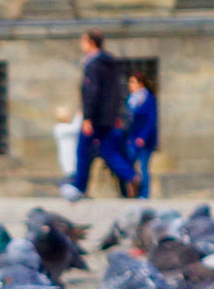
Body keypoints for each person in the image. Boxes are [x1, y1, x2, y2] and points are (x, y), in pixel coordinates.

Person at [60, 30, 131, 201]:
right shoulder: (110, 63)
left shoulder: (93, 64)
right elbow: (117, 92)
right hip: (108, 117)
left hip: (96, 117)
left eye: (83, 41)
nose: (81, 44)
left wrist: (87, 117)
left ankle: (79, 187)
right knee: (108, 150)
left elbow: (92, 92)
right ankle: (131, 176)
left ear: (91, 42)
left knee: (83, 150)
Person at [124, 67, 157, 200]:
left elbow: (151, 119)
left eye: (132, 82)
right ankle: (132, 191)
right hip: (132, 138)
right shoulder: (132, 100)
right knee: (129, 164)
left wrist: (143, 136)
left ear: (140, 83)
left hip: (144, 140)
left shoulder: (148, 99)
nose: (130, 85)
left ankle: (144, 193)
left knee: (144, 166)